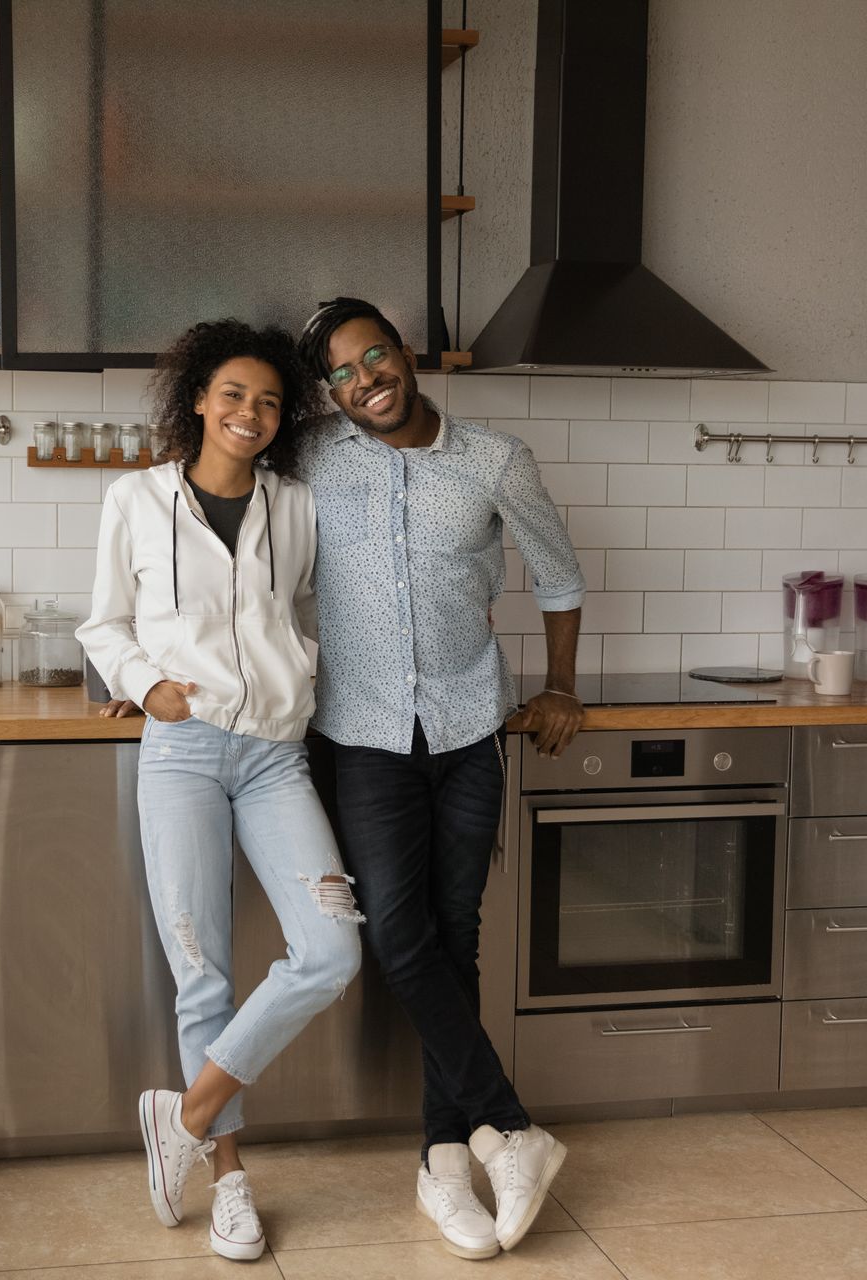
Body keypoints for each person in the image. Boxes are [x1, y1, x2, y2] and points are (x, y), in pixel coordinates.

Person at [294, 296, 586, 1260]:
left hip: (468, 726)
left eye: (373, 356)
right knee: (400, 937)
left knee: (454, 938)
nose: (363, 379)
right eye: (341, 372)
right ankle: (511, 1123)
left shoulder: (495, 459)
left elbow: (558, 576)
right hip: (361, 733)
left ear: (404, 355)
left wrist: (561, 688)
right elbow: (222, 543)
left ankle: (443, 1160)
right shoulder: (307, 461)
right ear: (330, 392)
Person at [78, 318, 363, 1264]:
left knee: (330, 948)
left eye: (270, 401)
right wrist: (141, 684)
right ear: (197, 398)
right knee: (202, 969)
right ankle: (230, 1181)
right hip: (185, 751)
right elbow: (104, 622)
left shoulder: (298, 506)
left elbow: (313, 610)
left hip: (278, 755)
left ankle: (186, 1115)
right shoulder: (135, 498)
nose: (251, 413)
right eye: (234, 394)